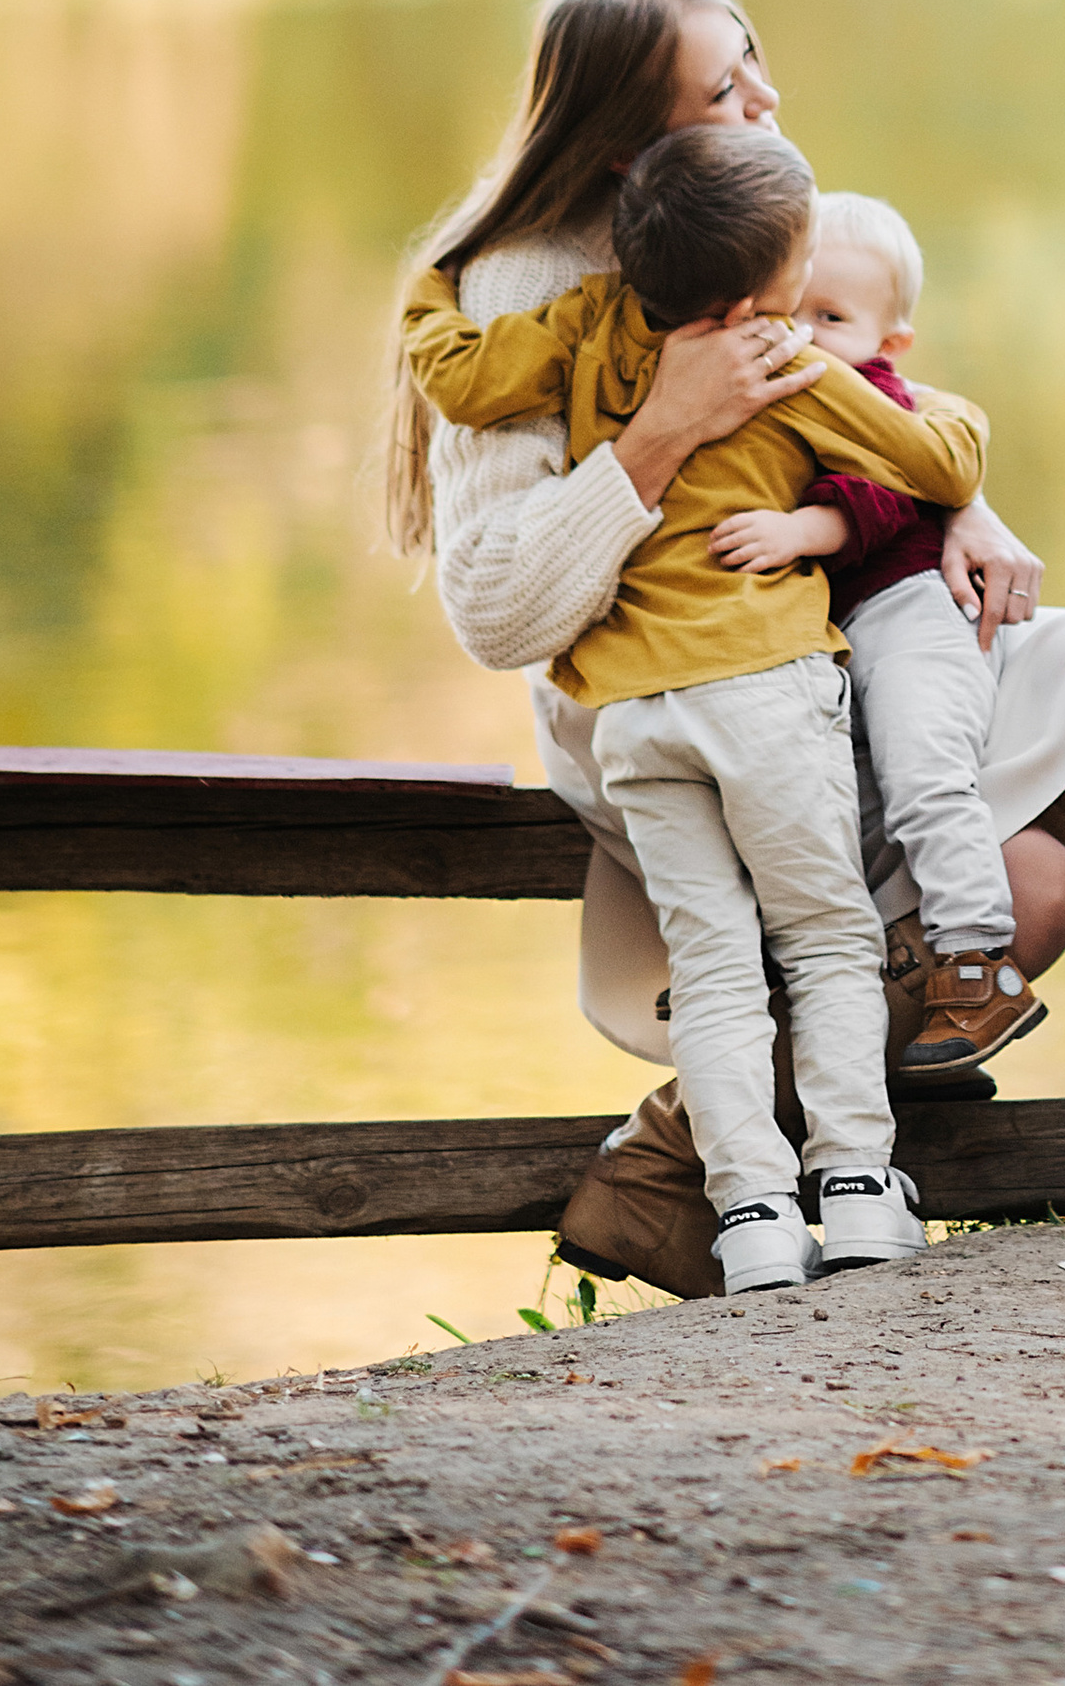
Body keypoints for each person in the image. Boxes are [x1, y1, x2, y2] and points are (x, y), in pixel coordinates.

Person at [381, 0, 1065, 1294]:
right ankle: (710, 1156)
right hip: (668, 704)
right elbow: (500, 609)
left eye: (751, 51)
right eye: (725, 80)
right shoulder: (530, 285)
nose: (770, 90)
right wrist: (656, 436)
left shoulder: (741, 203)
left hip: (823, 632)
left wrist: (957, 503)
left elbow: (849, 396)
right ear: (632, 147)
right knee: (1033, 885)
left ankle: (690, 1154)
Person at [406, 121, 990, 1285]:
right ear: (777, 281)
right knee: (827, 944)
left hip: (633, 712)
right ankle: (861, 1190)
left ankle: (753, 1216)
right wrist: (957, 428)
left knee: (716, 970)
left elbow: (457, 373)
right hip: (761, 690)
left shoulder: (580, 329)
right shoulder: (782, 360)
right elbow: (940, 465)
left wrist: (434, 274)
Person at [707, 188, 1053, 1076]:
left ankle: (978, 963)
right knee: (838, 798)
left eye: (833, 316)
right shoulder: (784, 387)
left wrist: (800, 531)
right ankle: (786, 964)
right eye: (792, 309)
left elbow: (889, 483)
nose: (806, 334)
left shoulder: (873, 392)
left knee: (926, 771)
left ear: (888, 343)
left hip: (914, 608)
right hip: (848, 628)